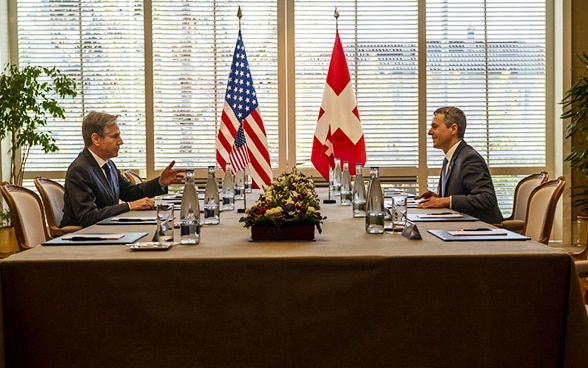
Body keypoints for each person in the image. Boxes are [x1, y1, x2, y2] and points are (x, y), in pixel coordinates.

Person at [60, 111, 185, 228]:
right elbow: (88, 217)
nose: (121, 142)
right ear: (96, 139)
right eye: (115, 137)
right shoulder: (80, 170)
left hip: (108, 230)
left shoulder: (108, 165)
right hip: (82, 238)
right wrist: (129, 206)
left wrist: (160, 182)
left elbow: (131, 193)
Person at [415, 106, 503, 224]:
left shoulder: (469, 158)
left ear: (453, 129)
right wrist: (439, 198)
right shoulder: (450, 158)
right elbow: (461, 195)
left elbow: (486, 198)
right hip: (459, 227)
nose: (429, 132)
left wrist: (446, 201)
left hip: (481, 231)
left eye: (435, 127)